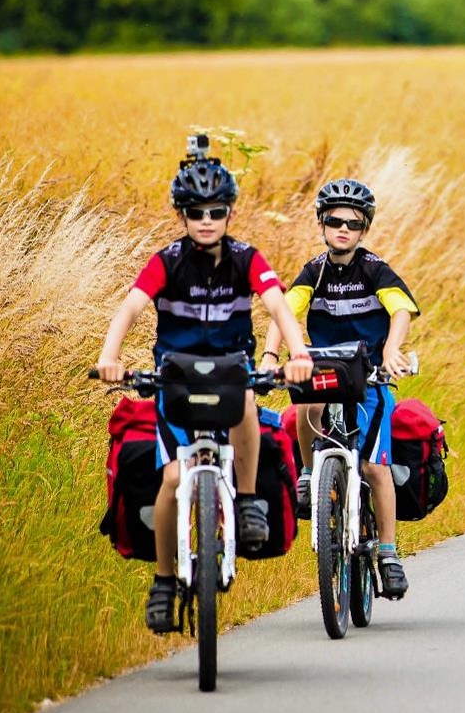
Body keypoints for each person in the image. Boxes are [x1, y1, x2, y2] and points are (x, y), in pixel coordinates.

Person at [95, 148, 314, 634]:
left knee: (249, 407)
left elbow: (278, 306)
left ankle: (251, 499)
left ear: (230, 212)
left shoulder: (247, 258)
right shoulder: (167, 261)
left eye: (217, 211)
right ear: (183, 215)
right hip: (176, 377)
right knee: (173, 479)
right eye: (196, 213)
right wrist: (110, 357)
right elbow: (130, 308)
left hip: (231, 370)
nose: (207, 221)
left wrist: (298, 355)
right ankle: (165, 580)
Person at [262, 179, 418, 600]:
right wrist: (271, 358)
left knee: (373, 468)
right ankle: (311, 475)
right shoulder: (313, 271)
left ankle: (388, 552)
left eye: (353, 223)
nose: (343, 229)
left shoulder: (374, 268)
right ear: (322, 225)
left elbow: (401, 308)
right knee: (306, 406)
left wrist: (391, 348)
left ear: (364, 229)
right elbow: (283, 312)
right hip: (326, 370)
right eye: (334, 221)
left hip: (368, 377)